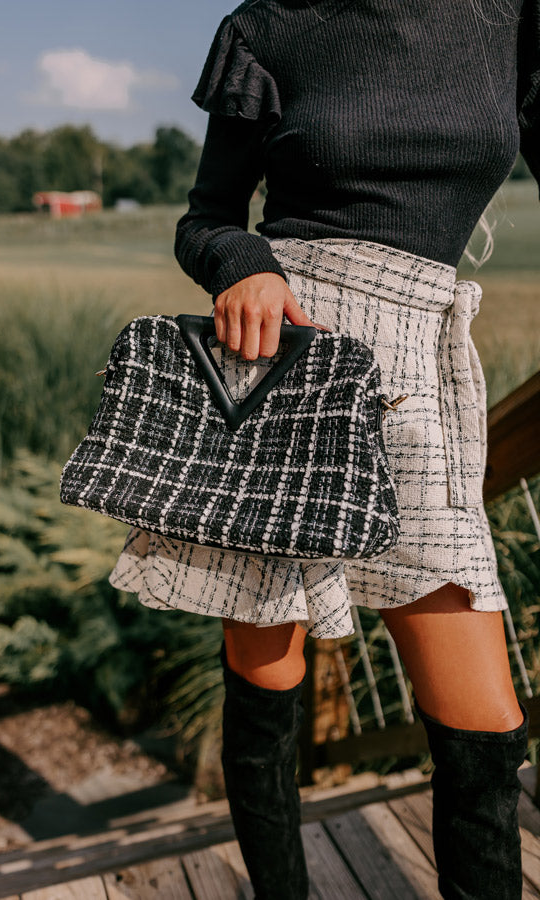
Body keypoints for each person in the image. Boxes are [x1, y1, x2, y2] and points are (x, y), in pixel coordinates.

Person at [110, 1, 539, 896]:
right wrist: (243, 262)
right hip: (282, 365)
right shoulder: (269, 24)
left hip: (420, 365)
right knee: (268, 676)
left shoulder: (511, 14)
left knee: (487, 728)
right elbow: (206, 217)